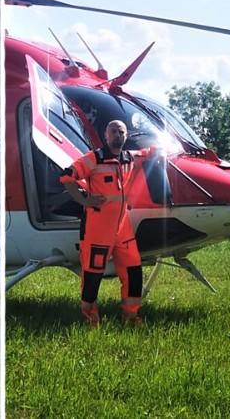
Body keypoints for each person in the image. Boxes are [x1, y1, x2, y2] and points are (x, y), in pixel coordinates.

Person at [59, 119, 157, 327]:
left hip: (123, 229)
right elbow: (67, 177)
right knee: (93, 276)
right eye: (113, 131)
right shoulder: (93, 159)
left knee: (133, 271)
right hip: (97, 230)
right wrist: (84, 200)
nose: (117, 135)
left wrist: (164, 149)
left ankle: (131, 316)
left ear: (126, 136)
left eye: (121, 132)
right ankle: (90, 318)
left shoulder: (130, 157)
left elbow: (149, 153)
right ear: (106, 135)